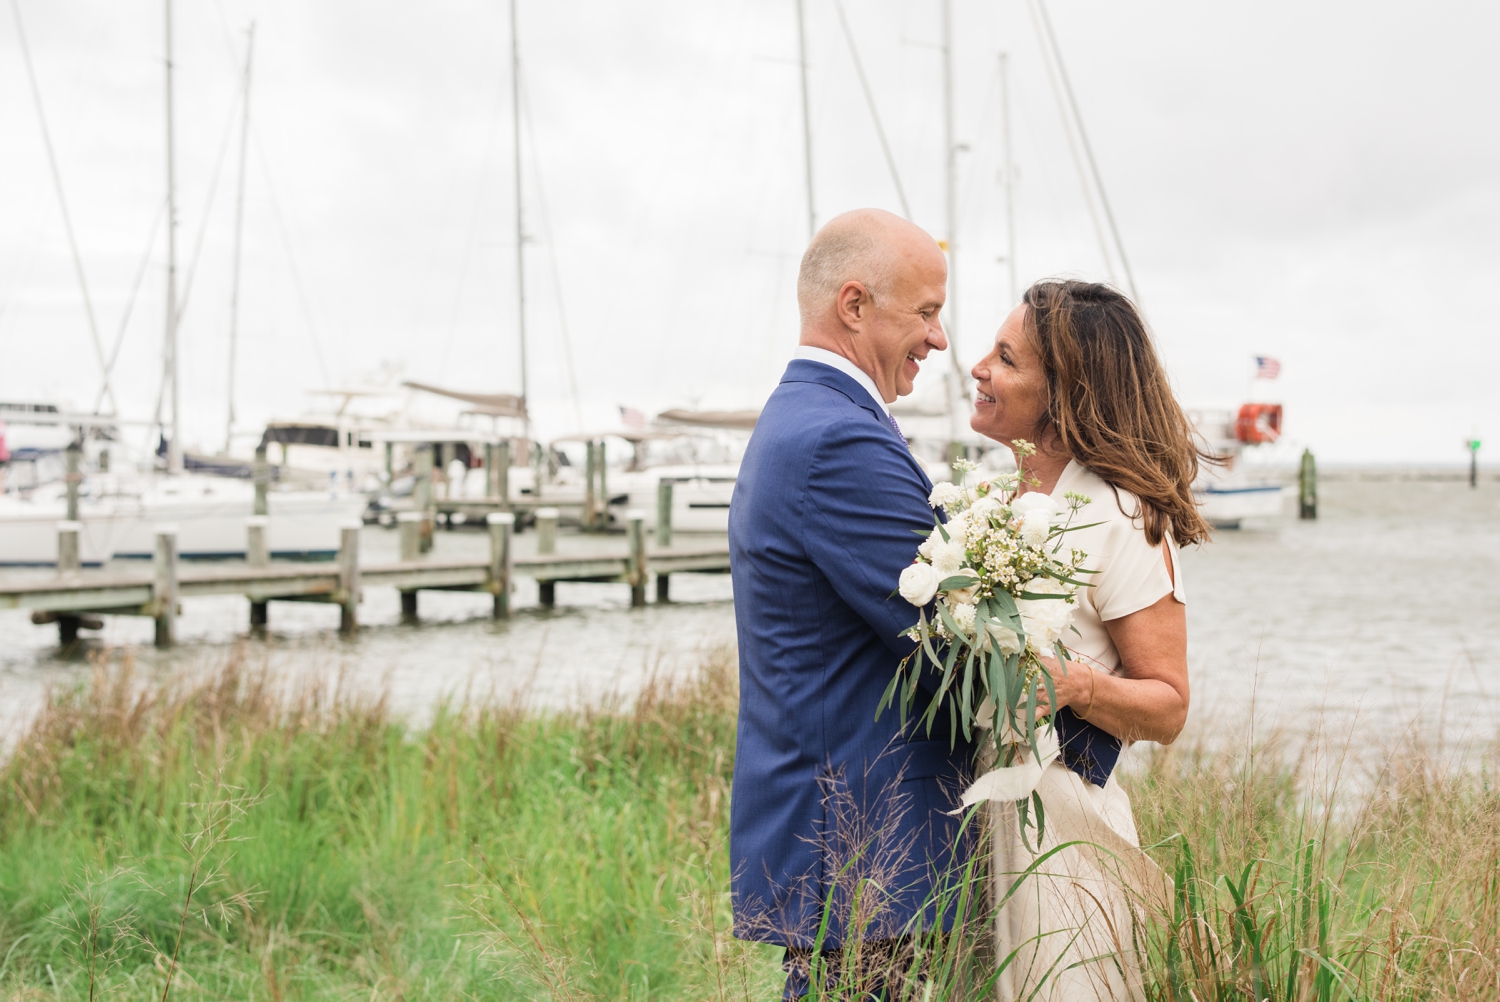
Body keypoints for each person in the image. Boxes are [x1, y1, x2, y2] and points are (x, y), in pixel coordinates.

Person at [728, 208, 972, 997]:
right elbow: (947, 639)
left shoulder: (809, 420)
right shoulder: (838, 439)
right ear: (855, 305)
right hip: (866, 846)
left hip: (851, 849)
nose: (940, 341)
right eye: (927, 313)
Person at [969, 279, 1207, 1001]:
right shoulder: (987, 500)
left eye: (1006, 359)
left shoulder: (1122, 514)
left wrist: (1078, 686)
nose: (978, 367)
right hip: (972, 817)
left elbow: (1168, 706)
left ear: (1062, 393)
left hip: (1061, 825)